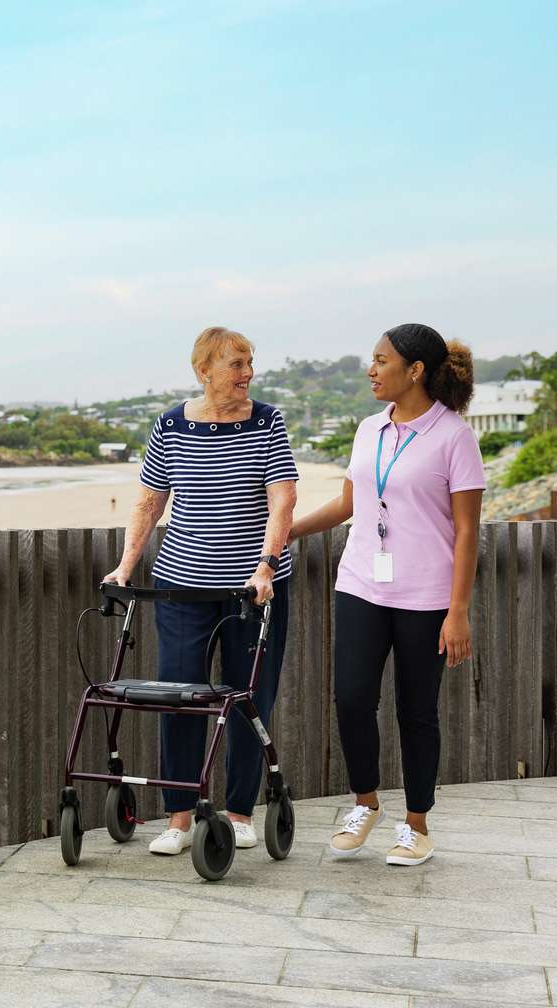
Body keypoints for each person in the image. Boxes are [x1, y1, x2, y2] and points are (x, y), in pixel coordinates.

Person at [289, 324, 483, 867]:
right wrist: (290, 531)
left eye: (380, 360)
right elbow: (350, 504)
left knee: (416, 711)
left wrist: (458, 611)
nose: (371, 370)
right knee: (351, 698)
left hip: (426, 596)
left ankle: (416, 823)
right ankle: (365, 803)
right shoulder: (368, 429)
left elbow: (468, 530)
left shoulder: (453, 436)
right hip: (360, 583)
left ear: (415, 370)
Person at [103, 327, 298, 855]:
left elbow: (283, 499)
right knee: (180, 698)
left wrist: (266, 565)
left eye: (250, 362)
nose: (247, 373)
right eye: (236, 364)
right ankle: (180, 817)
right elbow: (149, 502)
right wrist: (125, 566)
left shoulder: (267, 419)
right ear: (203, 370)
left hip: (252, 591)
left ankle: (238, 813)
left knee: (246, 698)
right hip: (181, 586)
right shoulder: (170, 424)